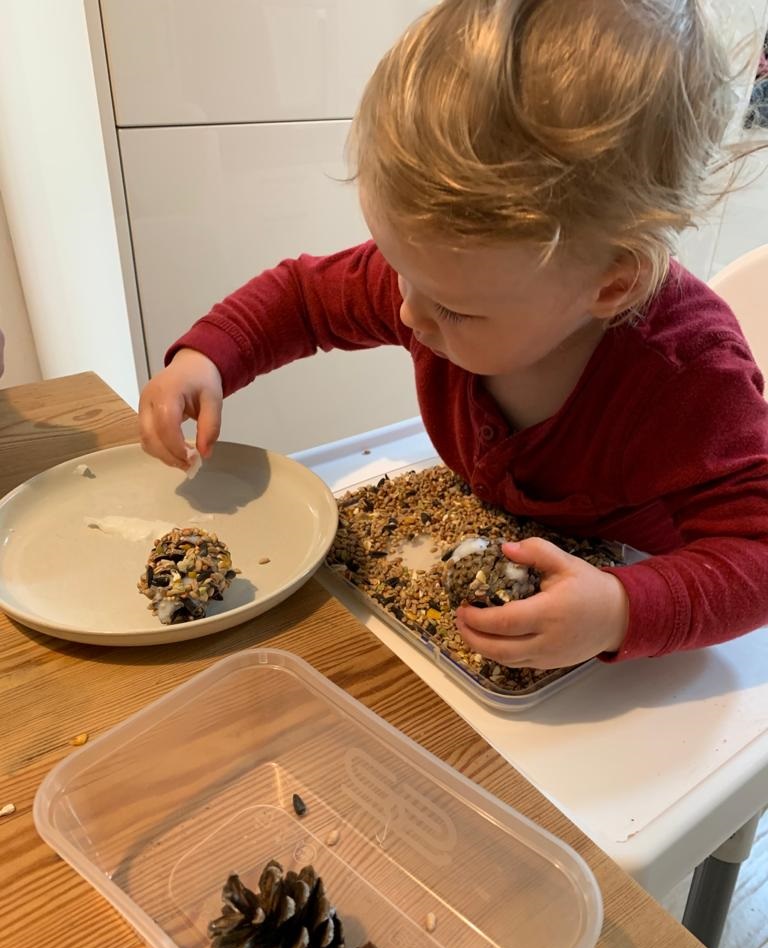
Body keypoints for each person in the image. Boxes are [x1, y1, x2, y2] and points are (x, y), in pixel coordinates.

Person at [138, 0, 768, 670]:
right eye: (401, 269)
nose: (407, 312)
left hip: (647, 628)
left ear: (610, 285)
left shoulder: (685, 374)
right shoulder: (440, 285)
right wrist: (208, 357)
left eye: (455, 309)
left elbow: (756, 555)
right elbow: (303, 297)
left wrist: (620, 609)